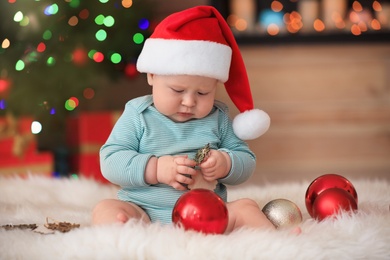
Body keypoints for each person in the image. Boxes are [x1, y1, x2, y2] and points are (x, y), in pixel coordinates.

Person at [92, 5, 275, 233]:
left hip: (208, 214)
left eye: (202, 93)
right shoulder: (138, 115)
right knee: (105, 209)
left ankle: (280, 242)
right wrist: (155, 168)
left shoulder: (218, 118)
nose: (189, 101)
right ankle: (127, 236)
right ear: (152, 75)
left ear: (215, 86)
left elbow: (246, 160)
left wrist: (226, 163)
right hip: (143, 212)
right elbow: (110, 160)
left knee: (247, 207)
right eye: (177, 90)